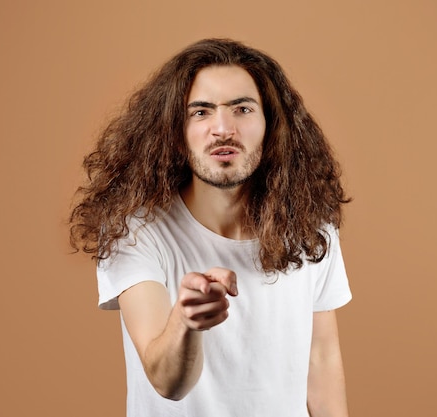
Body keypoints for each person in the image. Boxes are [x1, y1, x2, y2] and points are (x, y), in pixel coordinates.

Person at [70, 38, 352, 417]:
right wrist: (185, 322)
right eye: (200, 112)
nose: (222, 128)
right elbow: (167, 381)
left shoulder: (310, 226)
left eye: (242, 108)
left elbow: (321, 359)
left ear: (272, 125)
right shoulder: (133, 230)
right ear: (174, 130)